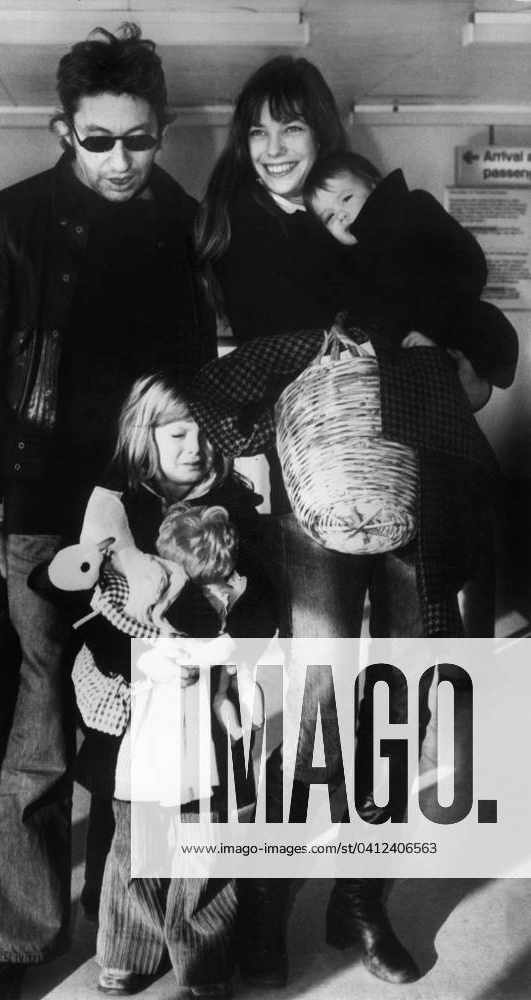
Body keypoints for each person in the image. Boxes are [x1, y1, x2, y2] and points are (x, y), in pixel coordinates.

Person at [195, 54, 518, 988]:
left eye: (290, 127)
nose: (271, 149)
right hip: (309, 494)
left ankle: (361, 899)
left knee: (408, 691)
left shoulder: (371, 215)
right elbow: (234, 369)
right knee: (317, 695)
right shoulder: (234, 228)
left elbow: (478, 319)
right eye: (256, 131)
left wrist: (478, 365)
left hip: (413, 478)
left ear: (324, 130)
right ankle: (265, 904)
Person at [0, 23, 215, 999]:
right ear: (64, 128)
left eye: (137, 138)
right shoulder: (12, 216)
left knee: (137, 731)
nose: (117, 158)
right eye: (96, 139)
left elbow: (193, 378)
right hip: (39, 502)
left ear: (164, 128)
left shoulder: (186, 223)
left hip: (143, 509)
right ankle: (17, 943)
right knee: (39, 732)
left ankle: (127, 936)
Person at [33, 372, 276, 997]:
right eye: (176, 432)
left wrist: (222, 651)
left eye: (202, 431)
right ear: (147, 436)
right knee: (136, 841)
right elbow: (90, 606)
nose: (192, 444)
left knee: (206, 842)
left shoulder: (237, 503)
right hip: (138, 701)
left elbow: (263, 599)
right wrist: (141, 653)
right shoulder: (124, 509)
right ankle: (130, 949)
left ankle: (203, 959)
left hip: (213, 700)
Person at [303, 150, 518, 402]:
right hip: (404, 351)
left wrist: (431, 330)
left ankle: (467, 375)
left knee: (482, 331)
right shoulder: (352, 260)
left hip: (451, 318)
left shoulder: (413, 208)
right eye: (329, 217)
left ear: (374, 184)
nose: (341, 215)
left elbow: (468, 261)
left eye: (347, 198)